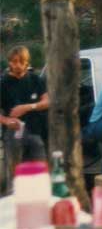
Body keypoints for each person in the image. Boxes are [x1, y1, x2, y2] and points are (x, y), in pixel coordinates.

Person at [0, 46, 49, 193]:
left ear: (27, 62)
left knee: (40, 173)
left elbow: (47, 102)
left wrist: (27, 107)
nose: (17, 65)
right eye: (14, 62)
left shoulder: (36, 80)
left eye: (21, 61)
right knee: (15, 176)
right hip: (13, 134)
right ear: (9, 62)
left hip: (36, 132)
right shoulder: (3, 83)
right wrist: (6, 121)